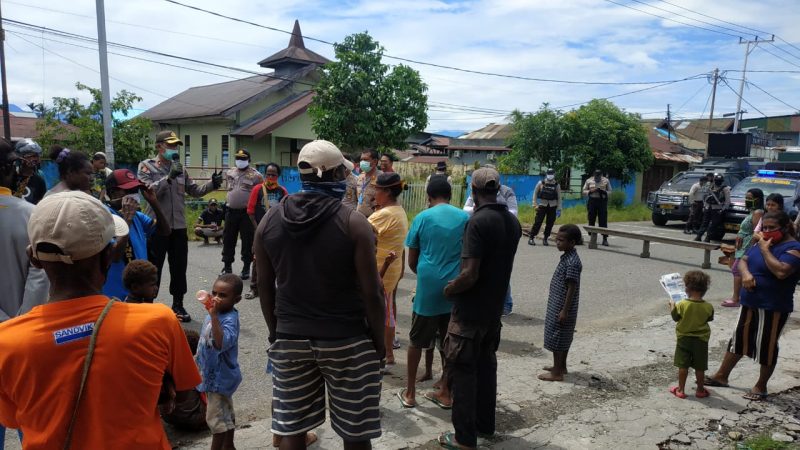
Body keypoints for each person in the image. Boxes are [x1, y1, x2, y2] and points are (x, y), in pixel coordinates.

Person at [0, 191, 202, 448]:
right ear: (109, 256)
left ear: (34, 258)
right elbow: (184, 397)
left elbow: (13, 418)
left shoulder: (6, 342)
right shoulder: (158, 321)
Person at [255, 139, 385, 449]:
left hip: (290, 337)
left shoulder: (269, 220)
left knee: (292, 429)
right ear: (333, 175)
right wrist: (379, 344)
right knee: (356, 433)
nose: (346, 178)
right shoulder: (354, 223)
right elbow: (372, 292)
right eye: (343, 173)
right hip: (347, 340)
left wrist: (276, 333)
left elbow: (264, 285)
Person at [438, 167, 521, 450]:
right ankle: (486, 426)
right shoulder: (512, 223)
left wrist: (449, 288)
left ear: (473, 191)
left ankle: (464, 440)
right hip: (493, 312)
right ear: (497, 190)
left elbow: (470, 274)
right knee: (487, 369)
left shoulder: (477, 222)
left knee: (463, 375)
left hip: (470, 314)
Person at [705, 211, 800, 401]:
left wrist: (765, 250)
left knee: (766, 345)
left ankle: (760, 386)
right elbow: (743, 261)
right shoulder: (761, 242)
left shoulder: (793, 248)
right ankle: (722, 376)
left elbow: (781, 272)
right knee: (738, 340)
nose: (766, 231)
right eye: (764, 227)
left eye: (771, 228)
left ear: (784, 227)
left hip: (773, 305)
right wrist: (746, 275)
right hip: (749, 301)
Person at [139, 130, 222, 323]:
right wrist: (167, 177)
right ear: (159, 146)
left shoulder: (181, 169)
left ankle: (178, 304)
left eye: (176, 145)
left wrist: (213, 184)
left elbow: (195, 191)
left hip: (179, 227)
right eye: (170, 145)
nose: (174, 148)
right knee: (154, 267)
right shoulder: (146, 166)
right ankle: (148, 304)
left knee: (179, 268)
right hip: (157, 226)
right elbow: (148, 192)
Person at [399, 177, 468, 410]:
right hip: (455, 285)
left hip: (428, 286)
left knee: (416, 341)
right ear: (450, 195)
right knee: (449, 341)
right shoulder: (464, 218)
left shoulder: (422, 217)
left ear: (429, 196)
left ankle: (410, 393)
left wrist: (427, 277)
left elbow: (412, 261)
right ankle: (445, 391)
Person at [0, 138, 49, 446]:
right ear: (11, 169)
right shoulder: (32, 214)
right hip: (28, 335)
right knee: (32, 422)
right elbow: (40, 272)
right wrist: (19, 322)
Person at [103, 169, 171, 301]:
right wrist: (127, 219)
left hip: (139, 294)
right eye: (127, 191)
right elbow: (115, 256)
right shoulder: (104, 215)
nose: (133, 195)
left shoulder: (137, 216)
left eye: (135, 190)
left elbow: (164, 231)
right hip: (115, 296)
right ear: (113, 193)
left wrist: (154, 202)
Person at [196, 274, 243, 450]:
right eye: (214, 292)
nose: (215, 298)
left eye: (222, 295)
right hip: (212, 376)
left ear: (236, 300)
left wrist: (214, 316)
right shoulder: (214, 314)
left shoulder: (228, 318)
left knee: (217, 422)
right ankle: (229, 446)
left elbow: (220, 343)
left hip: (219, 379)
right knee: (225, 415)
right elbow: (205, 342)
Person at [368, 172, 409, 366]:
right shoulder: (398, 210)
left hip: (380, 272)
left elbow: (358, 231)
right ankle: (389, 353)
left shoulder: (384, 214)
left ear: (387, 192)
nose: (374, 192)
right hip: (391, 270)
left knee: (379, 316)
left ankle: (382, 354)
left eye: (377, 189)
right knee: (387, 314)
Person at [463, 176, 518, 316]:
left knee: (500, 269)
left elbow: (514, 212)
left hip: (501, 232)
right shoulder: (476, 194)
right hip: (487, 231)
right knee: (486, 268)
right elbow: (466, 209)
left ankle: (506, 304)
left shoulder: (507, 192)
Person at [538, 224, 583, 382]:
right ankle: (561, 366)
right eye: (556, 240)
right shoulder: (567, 257)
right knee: (561, 336)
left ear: (572, 242)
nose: (557, 243)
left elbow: (572, 286)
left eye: (561, 240)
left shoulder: (572, 262)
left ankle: (557, 373)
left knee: (558, 336)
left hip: (563, 306)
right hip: (558, 303)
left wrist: (564, 310)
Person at [668, 270, 714, 399]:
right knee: (700, 366)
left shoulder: (682, 304)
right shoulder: (708, 306)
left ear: (688, 289)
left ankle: (681, 390)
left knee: (683, 365)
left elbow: (675, 317)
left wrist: (672, 306)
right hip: (701, 339)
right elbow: (709, 318)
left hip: (684, 338)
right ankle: (700, 390)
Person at [245, 162, 288, 299]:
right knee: (257, 259)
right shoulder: (257, 189)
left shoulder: (282, 191)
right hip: (260, 231)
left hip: (276, 232)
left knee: (277, 259)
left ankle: (278, 288)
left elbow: (286, 211)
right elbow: (251, 212)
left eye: (273, 175)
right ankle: (254, 288)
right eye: (268, 174)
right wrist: (258, 230)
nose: (270, 177)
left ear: (278, 176)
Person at [221, 149, 263, 279]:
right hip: (231, 211)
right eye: (238, 158)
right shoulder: (230, 172)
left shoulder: (256, 176)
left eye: (243, 159)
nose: (240, 161)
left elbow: (260, 195)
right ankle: (227, 266)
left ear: (248, 160)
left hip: (246, 213)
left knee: (247, 240)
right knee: (228, 239)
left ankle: (246, 268)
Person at [721, 188, 764, 308]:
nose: (747, 200)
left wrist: (750, 248)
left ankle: (736, 298)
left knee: (737, 269)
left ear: (758, 199)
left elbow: (756, 232)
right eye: (746, 198)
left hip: (747, 246)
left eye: (750, 198)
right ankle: (738, 297)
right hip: (741, 245)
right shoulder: (752, 212)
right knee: (737, 269)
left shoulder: (758, 212)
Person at [528, 168, 562, 246]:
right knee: (538, 222)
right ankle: (531, 238)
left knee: (550, 223)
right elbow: (535, 194)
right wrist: (534, 204)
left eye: (552, 174)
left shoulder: (557, 185)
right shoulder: (541, 183)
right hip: (542, 205)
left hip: (553, 206)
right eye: (549, 174)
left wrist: (559, 209)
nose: (550, 175)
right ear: (546, 174)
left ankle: (545, 239)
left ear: (554, 174)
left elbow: (559, 197)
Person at [695, 173, 730, 243]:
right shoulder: (725, 188)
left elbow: (705, 197)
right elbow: (727, 200)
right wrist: (724, 209)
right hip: (717, 209)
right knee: (713, 224)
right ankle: (707, 238)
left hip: (708, 207)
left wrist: (704, 207)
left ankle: (698, 236)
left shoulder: (710, 187)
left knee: (705, 223)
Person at [582, 169, 611, 246]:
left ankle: (605, 239)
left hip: (602, 201)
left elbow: (610, 191)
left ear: (601, 175)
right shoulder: (589, 180)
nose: (597, 178)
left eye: (599, 176)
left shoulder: (606, 181)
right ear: (594, 175)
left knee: (603, 220)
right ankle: (592, 238)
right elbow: (584, 190)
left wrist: (604, 192)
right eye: (596, 176)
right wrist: (591, 191)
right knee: (591, 218)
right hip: (592, 201)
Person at [14, 138, 47, 204]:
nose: (35, 159)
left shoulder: (39, 179)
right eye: (31, 156)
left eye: (37, 156)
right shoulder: (11, 177)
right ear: (20, 157)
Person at [356, 148, 382, 217]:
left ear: (375, 161)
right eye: (361, 159)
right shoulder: (360, 176)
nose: (362, 162)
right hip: (359, 216)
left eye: (365, 159)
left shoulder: (381, 177)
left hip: (374, 218)